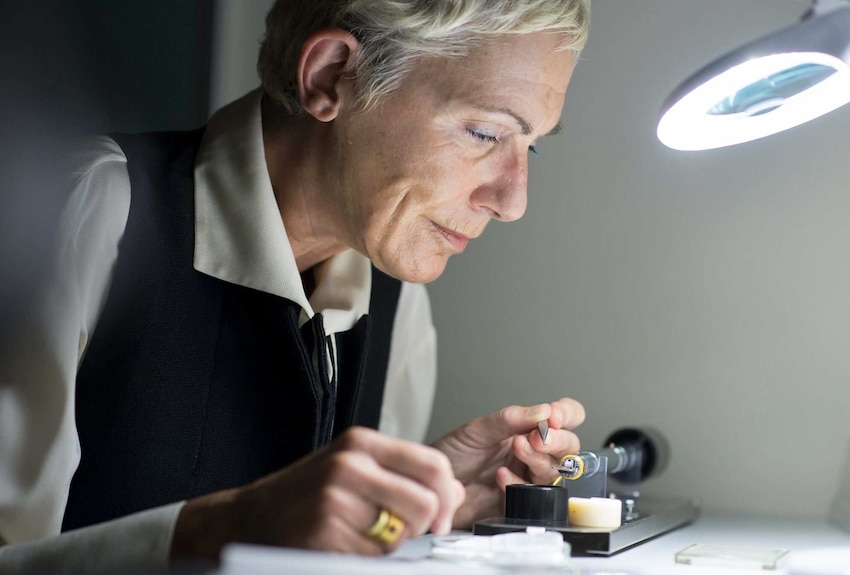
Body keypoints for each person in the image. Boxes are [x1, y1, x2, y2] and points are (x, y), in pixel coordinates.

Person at [0, 0, 591, 572]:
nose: (513, 202)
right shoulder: (88, 210)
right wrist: (232, 527)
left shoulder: (397, 300)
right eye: (486, 133)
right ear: (333, 75)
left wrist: (426, 503)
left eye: (531, 142)